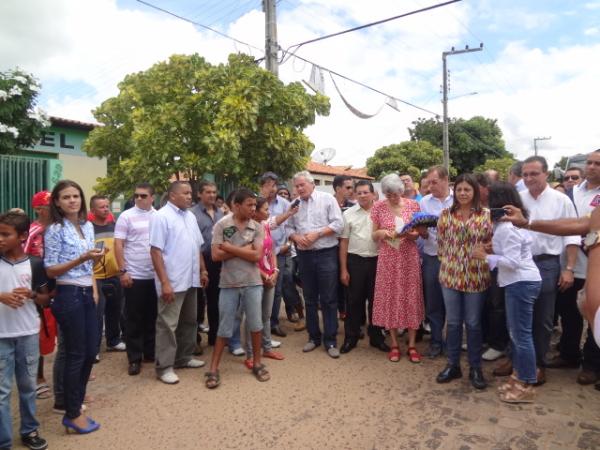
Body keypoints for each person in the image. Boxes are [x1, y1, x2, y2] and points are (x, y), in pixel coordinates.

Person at [495, 156, 580, 385]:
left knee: (542, 319)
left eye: (534, 173)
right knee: (515, 317)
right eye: (525, 174)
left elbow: (572, 235)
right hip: (517, 264)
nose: (529, 178)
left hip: (546, 265)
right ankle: (514, 359)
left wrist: (569, 268)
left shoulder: (561, 200)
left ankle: (537, 364)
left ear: (546, 174)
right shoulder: (517, 199)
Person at [473, 183, 541, 403]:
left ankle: (527, 382)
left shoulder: (509, 228)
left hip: (520, 282)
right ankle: (519, 377)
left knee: (521, 336)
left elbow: (512, 262)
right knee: (517, 334)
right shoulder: (508, 225)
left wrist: (485, 257)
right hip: (517, 282)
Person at [44, 179, 102, 433]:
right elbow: (51, 269)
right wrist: (82, 257)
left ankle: (76, 402)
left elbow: (90, 264)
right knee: (76, 354)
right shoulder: (55, 229)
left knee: (91, 352)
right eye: (66, 197)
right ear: (57, 202)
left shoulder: (87, 226)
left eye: (76, 196)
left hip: (88, 292)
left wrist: (95, 287)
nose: (72, 201)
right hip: (68, 294)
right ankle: (71, 412)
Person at [205, 189, 267, 388]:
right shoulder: (223, 225)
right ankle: (213, 368)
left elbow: (257, 256)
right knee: (224, 326)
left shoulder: (257, 226)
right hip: (229, 283)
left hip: (253, 282)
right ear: (236, 205)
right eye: (249, 205)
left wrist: (229, 248)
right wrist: (245, 249)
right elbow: (215, 255)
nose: (253, 208)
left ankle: (257, 363)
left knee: (256, 324)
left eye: (254, 205)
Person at [435, 174, 492, 389]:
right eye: (459, 189)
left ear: (475, 192)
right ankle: (453, 365)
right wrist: (450, 261)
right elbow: (441, 243)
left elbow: (492, 242)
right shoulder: (445, 215)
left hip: (476, 275)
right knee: (453, 322)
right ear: (454, 192)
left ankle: (475, 367)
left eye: (467, 189)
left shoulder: (485, 215)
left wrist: (486, 250)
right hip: (450, 275)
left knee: (474, 323)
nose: (463, 193)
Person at [549, 151, 600, 386]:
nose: (591, 167)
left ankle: (592, 365)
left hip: (595, 266)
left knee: (594, 317)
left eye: (597, 164)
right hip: (570, 264)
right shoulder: (572, 192)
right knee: (569, 314)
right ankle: (569, 355)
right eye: (589, 162)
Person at [149, 181, 208, 385]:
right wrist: (165, 282)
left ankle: (184, 357)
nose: (190, 196)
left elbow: (197, 246)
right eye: (186, 193)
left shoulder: (190, 216)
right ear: (173, 195)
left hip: (191, 279)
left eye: (191, 193)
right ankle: (164, 367)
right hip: (172, 281)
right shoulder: (161, 216)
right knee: (167, 324)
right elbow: (155, 251)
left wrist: (203, 269)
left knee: (189, 321)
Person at [0, 212, 50, 450]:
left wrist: (31, 295)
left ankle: (29, 430)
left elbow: (45, 299)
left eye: (5, 234)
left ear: (21, 236)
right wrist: (2, 296)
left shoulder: (35, 264)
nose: (0, 238)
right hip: (1, 336)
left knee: (28, 386)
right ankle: (4, 441)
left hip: (28, 333)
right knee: (2, 391)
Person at [286, 171, 344, 358]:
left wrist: (317, 234)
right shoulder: (293, 204)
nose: (299, 189)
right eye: (296, 186)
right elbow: (288, 227)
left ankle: (330, 340)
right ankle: (313, 337)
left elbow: (338, 224)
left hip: (326, 253)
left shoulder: (327, 199)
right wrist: (296, 237)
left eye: (302, 185)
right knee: (310, 298)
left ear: (312, 184)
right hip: (304, 256)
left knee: (328, 298)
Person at [371, 175, 424, 362]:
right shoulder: (378, 207)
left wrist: (411, 234)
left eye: (396, 194)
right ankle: (394, 343)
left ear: (402, 191)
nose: (393, 197)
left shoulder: (413, 205)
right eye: (388, 194)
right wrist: (384, 233)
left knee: (411, 298)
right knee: (390, 298)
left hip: (409, 257)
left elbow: (419, 234)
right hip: (388, 258)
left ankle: (411, 345)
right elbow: (373, 234)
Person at [339, 180, 389, 354]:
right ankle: (351, 338)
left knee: (376, 302)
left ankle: (376, 337)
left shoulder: (383, 212)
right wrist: (344, 269)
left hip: (378, 261)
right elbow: (343, 242)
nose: (362, 195)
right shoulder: (348, 214)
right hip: (355, 262)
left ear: (373, 194)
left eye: (365, 192)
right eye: (358, 193)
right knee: (353, 302)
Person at [114, 182, 158, 376]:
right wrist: (123, 271)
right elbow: (118, 244)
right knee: (133, 318)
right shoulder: (126, 216)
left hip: (155, 275)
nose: (139, 199)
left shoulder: (159, 216)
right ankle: (134, 358)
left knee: (152, 316)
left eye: (143, 196)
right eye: (136, 196)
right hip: (135, 275)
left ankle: (150, 352)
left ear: (152, 197)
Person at [243, 197, 285, 368]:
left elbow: (271, 250)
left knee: (266, 315)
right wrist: (262, 275)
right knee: (251, 317)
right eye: (266, 209)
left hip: (269, 275)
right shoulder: (247, 230)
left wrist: (274, 271)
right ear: (257, 211)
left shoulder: (265, 226)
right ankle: (250, 354)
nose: (269, 212)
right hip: (254, 277)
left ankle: (266, 348)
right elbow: (247, 257)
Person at [23, 191, 56, 401]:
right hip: (39, 287)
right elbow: (24, 259)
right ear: (39, 209)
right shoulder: (33, 231)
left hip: (59, 284)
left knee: (59, 329)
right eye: (49, 205)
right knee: (39, 331)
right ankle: (38, 378)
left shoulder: (59, 229)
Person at [419, 166, 453, 358]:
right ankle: (436, 342)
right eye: (428, 183)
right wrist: (422, 230)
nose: (430, 186)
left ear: (446, 179)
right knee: (433, 302)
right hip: (432, 256)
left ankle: (452, 342)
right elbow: (420, 226)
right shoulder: (424, 202)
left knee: (454, 303)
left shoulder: (460, 198)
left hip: (456, 258)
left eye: (434, 182)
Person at [89, 195, 125, 356]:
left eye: (107, 206)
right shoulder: (88, 229)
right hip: (96, 277)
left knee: (115, 310)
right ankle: (93, 348)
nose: (106, 209)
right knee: (96, 314)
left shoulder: (115, 225)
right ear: (93, 210)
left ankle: (113, 341)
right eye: (101, 207)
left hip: (115, 274)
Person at [190, 180, 224, 346]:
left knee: (215, 300)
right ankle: (194, 340)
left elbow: (227, 233)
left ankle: (214, 336)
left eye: (214, 192)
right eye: (208, 192)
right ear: (199, 194)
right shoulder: (191, 214)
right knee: (197, 302)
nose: (212, 195)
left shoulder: (220, 213)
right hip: (197, 262)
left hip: (217, 261)